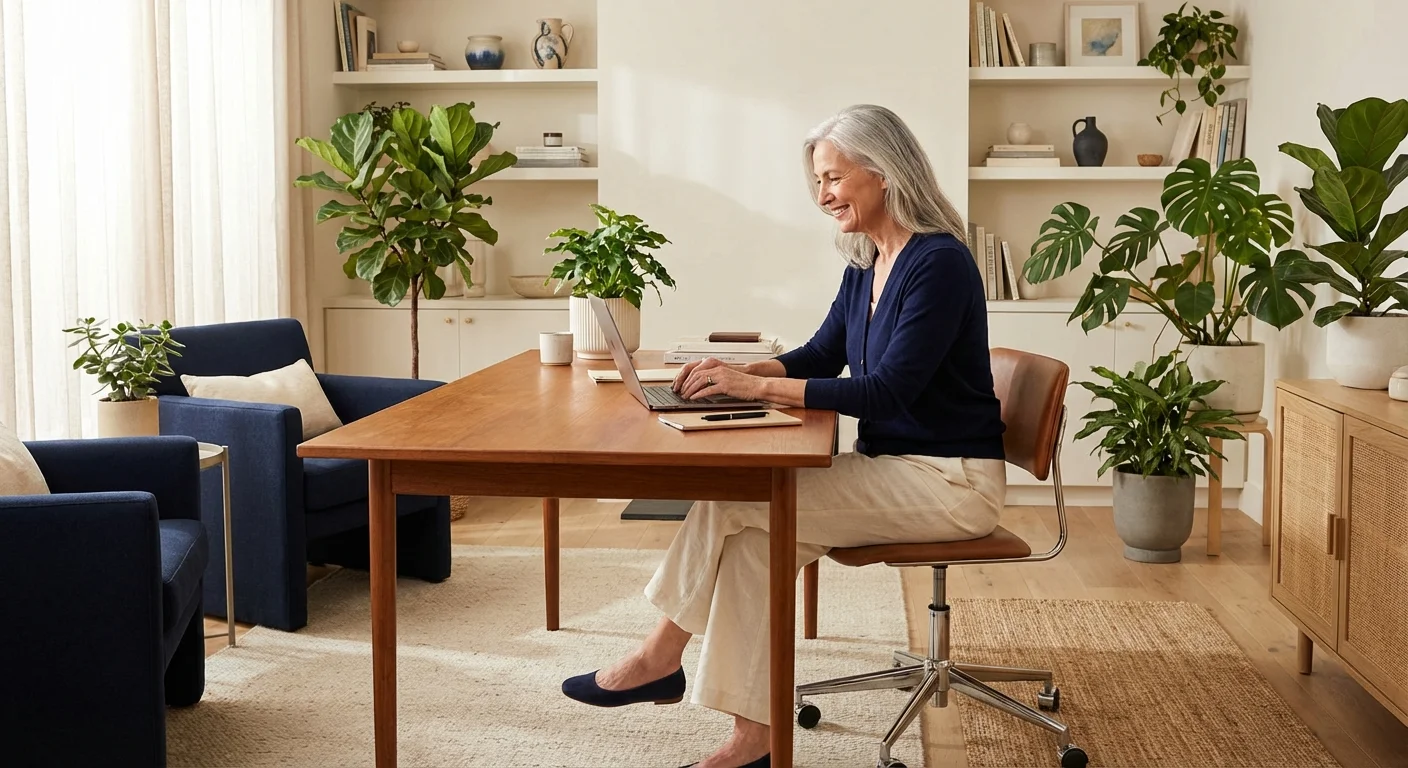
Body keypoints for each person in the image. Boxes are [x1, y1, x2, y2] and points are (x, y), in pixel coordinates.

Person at [560, 104, 1007, 768]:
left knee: (734, 501)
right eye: (818, 182)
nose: (823, 195)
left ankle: (659, 658)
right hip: (894, 470)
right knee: (752, 545)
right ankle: (755, 741)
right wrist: (734, 374)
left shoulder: (938, 264)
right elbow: (820, 355)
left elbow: (887, 391)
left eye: (832, 177)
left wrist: (756, 390)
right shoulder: (867, 260)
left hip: (949, 481)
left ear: (882, 172)